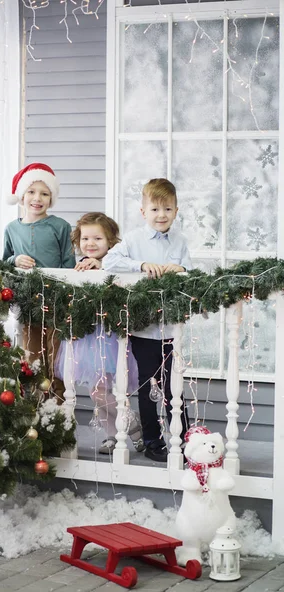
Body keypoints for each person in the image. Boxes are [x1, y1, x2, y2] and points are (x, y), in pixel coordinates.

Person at [103, 178, 192, 462]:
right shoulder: (132, 240)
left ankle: (185, 437)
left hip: (171, 328)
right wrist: (139, 265)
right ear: (144, 212)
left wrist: (181, 268)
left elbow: (190, 271)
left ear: (176, 211)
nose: (161, 215)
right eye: (154, 209)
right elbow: (109, 262)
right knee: (148, 384)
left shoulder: (180, 241)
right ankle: (154, 440)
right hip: (144, 329)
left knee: (173, 384)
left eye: (167, 208)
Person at [55, 212, 144, 454]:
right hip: (87, 337)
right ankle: (117, 431)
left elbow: (121, 278)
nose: (90, 244)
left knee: (108, 390)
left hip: (110, 336)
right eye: (85, 239)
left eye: (97, 239)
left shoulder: (116, 261)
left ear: (110, 242)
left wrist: (102, 266)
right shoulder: (80, 263)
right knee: (97, 392)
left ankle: (127, 426)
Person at [3, 163, 75, 402]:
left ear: (51, 198)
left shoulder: (60, 226)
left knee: (56, 356)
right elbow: (4, 262)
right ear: (21, 196)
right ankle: (34, 407)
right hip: (27, 303)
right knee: (32, 356)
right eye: (32, 192)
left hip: (56, 302)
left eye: (44, 193)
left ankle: (57, 407)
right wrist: (15, 259)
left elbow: (68, 262)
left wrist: (66, 296)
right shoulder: (12, 229)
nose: (37, 198)